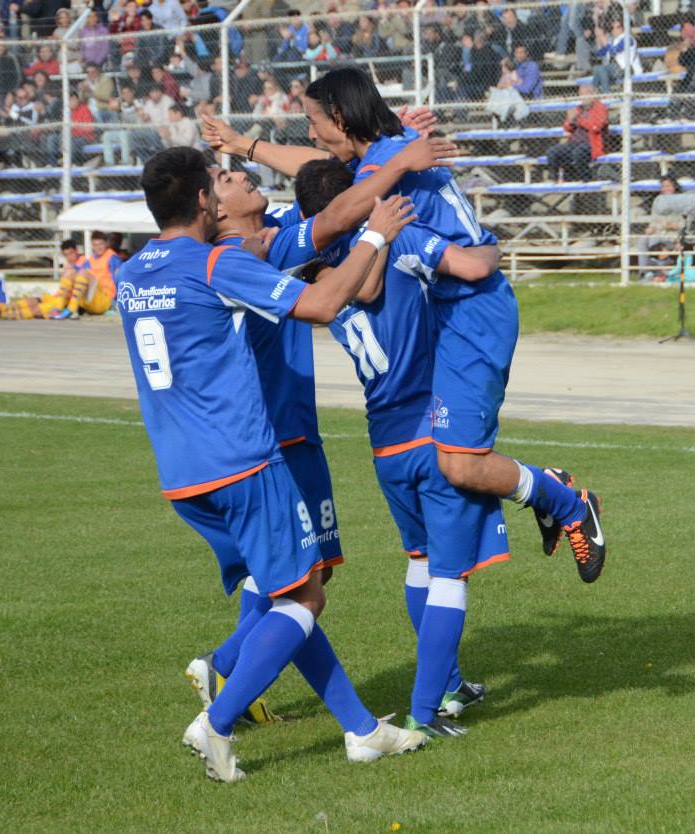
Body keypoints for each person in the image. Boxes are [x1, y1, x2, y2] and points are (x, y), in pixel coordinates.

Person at [202, 66, 607, 584]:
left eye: (313, 119)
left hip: (472, 310)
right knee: (447, 468)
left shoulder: (390, 161)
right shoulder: (386, 157)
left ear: (342, 118)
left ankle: (569, 503)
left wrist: (486, 250)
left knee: (459, 466)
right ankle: (552, 500)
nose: (311, 132)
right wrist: (247, 145)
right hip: (451, 307)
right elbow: (323, 175)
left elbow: (343, 198)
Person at [120, 146, 425, 783]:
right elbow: (319, 305)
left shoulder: (131, 271)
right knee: (306, 594)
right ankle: (219, 717)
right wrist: (376, 232)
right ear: (206, 201)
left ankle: (363, 730)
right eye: (221, 180)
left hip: (181, 473)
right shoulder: (215, 265)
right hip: (242, 460)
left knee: (289, 590)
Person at [187, 135, 459, 725]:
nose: (239, 178)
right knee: (302, 581)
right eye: (226, 179)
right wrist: (395, 176)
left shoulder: (268, 232)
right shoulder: (251, 254)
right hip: (276, 434)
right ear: (214, 210)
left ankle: (239, 673)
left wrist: (389, 143)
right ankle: (227, 675)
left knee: (306, 573)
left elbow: (322, 184)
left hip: (288, 428)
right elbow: (342, 227)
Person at [296, 157, 507, 736]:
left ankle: (446, 685)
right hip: (432, 430)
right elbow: (466, 265)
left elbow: (358, 286)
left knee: (420, 562)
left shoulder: (319, 278)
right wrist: (492, 250)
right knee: (450, 575)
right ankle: (426, 709)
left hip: (384, 444)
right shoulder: (399, 235)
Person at [0, 237, 120, 320]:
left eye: (71, 253)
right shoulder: (69, 266)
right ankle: (2, 308)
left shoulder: (83, 262)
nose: (69, 257)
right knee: (36, 299)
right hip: (62, 297)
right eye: (66, 255)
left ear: (76, 251)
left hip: (72, 301)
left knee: (38, 309)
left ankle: (3, 314)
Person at [639, 175, 695, 276]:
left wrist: (672, 226)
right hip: (659, 232)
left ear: (674, 186)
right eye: (663, 186)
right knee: (643, 241)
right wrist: (650, 228)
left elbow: (686, 224)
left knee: (654, 240)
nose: (666, 189)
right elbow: (654, 220)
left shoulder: (683, 200)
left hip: (674, 235)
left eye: (668, 186)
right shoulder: (659, 200)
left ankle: (658, 271)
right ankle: (643, 272)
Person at [545, 84, 609, 182]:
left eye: (587, 93)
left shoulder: (600, 108)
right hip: (574, 142)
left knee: (578, 153)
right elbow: (567, 128)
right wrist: (570, 121)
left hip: (591, 143)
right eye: (581, 94)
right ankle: (555, 179)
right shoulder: (578, 108)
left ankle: (586, 179)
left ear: (593, 94)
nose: (583, 97)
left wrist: (578, 119)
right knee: (552, 152)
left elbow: (596, 126)